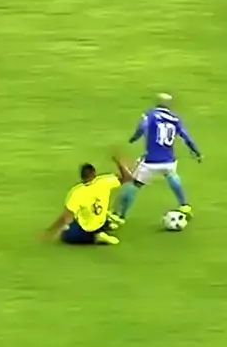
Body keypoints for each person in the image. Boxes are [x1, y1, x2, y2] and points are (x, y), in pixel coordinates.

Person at [111, 93, 202, 225]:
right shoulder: (175, 119)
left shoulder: (151, 115)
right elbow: (187, 137)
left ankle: (120, 216)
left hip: (151, 162)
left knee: (135, 184)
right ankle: (184, 205)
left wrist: (134, 138)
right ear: (170, 105)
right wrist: (196, 152)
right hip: (169, 161)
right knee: (172, 175)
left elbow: (142, 127)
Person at [44, 155, 133, 246]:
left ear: (82, 177)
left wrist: (50, 231)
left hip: (88, 229)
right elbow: (127, 178)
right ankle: (107, 224)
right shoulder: (105, 182)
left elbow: (66, 217)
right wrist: (119, 163)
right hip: (100, 222)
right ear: (94, 174)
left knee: (66, 235)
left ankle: (96, 237)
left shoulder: (77, 192)